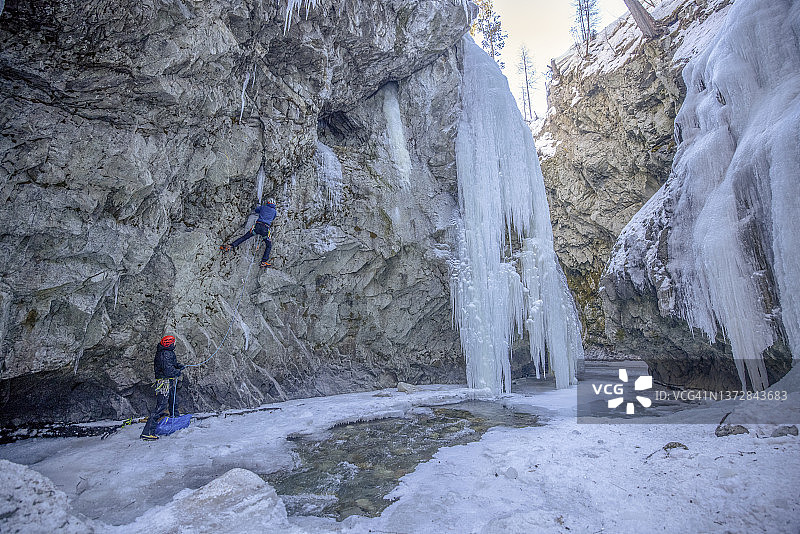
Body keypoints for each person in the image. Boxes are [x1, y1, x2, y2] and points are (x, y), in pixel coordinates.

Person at [140, 335, 185, 441]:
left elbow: (169, 365)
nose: (175, 344)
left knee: (173, 401)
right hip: (164, 382)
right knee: (161, 406)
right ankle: (147, 432)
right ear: (170, 344)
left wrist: (178, 366)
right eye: (174, 342)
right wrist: (177, 372)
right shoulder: (165, 353)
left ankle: (175, 419)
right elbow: (167, 370)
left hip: (168, 381)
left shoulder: (166, 352)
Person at [221, 198, 277, 267]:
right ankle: (264, 261)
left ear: (268, 202)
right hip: (265, 229)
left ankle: (231, 246)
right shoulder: (274, 211)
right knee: (268, 245)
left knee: (245, 237)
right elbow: (273, 218)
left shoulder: (263, 207)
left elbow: (256, 210)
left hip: (257, 226)